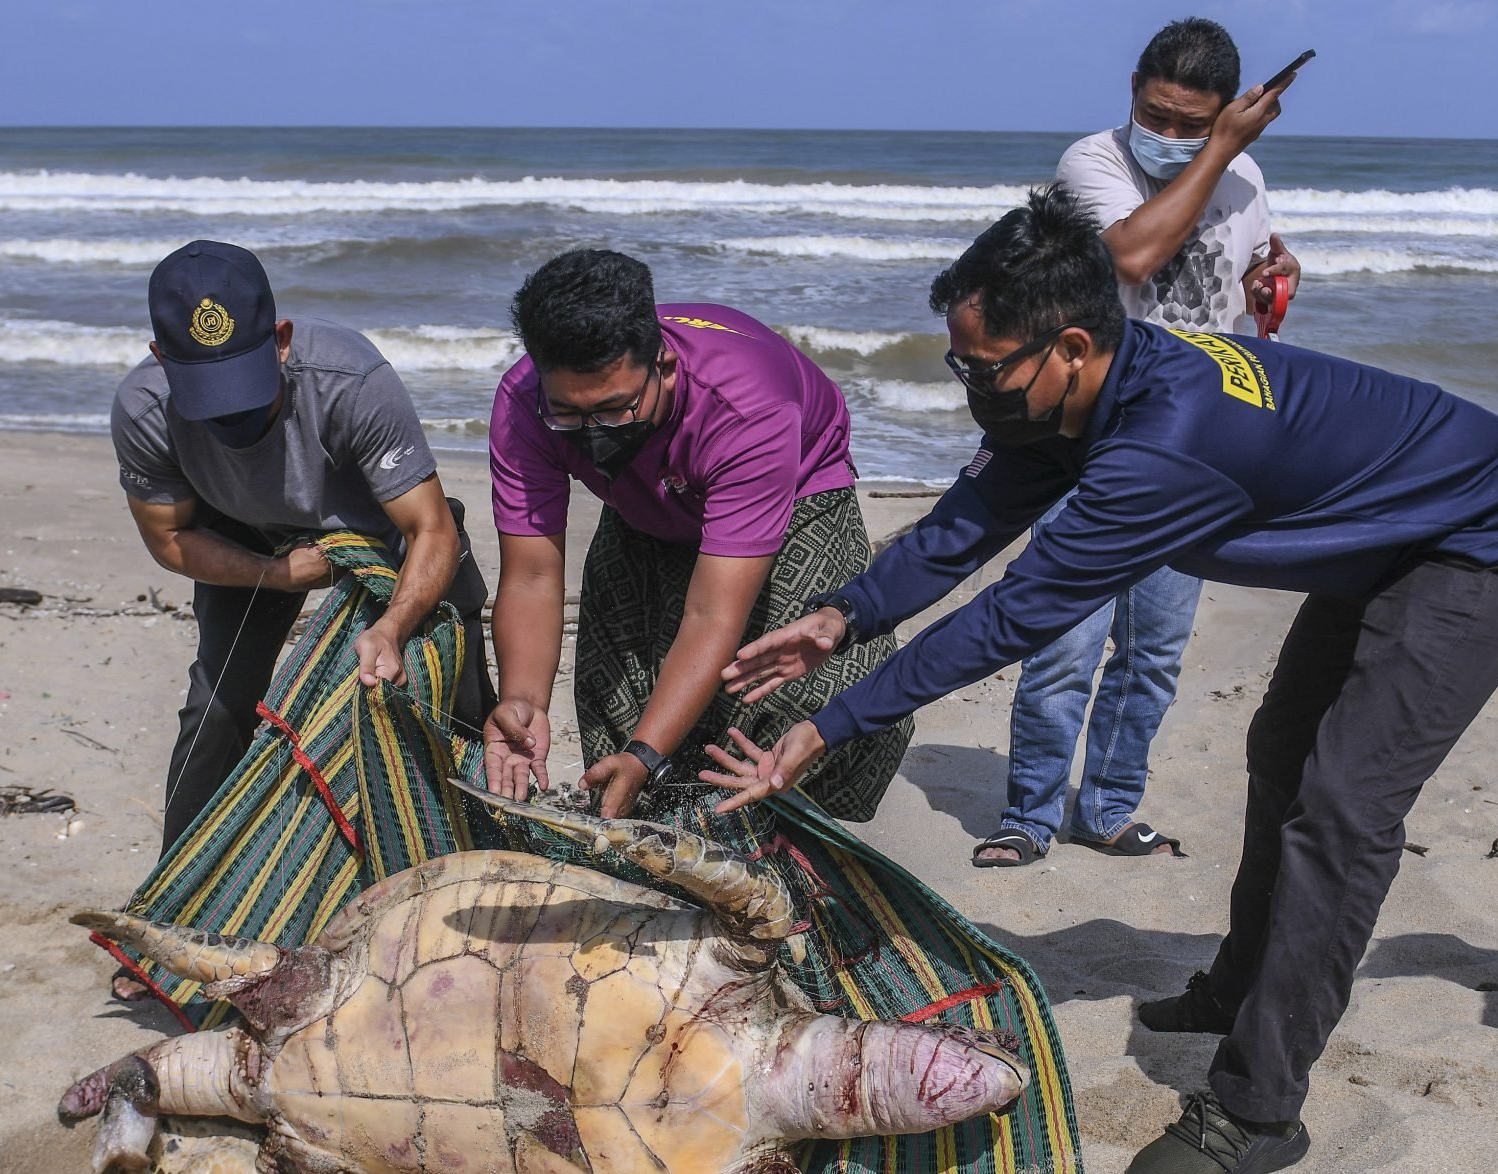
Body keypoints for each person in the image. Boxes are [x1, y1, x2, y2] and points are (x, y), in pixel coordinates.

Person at [708, 188, 1498, 1174]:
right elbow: (961, 529)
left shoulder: (1165, 445)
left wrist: (829, 720)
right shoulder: (1077, 392)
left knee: (1342, 809)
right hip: (1390, 532)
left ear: (1071, 346)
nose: (966, 387)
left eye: (980, 369)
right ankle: (1237, 985)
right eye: (957, 362)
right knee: (1279, 754)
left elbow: (1010, 616)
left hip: (1487, 540)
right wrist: (841, 619)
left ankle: (1258, 1110)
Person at [973, 16, 1303, 870]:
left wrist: (1276, 275)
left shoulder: (1247, 176)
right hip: (1098, 438)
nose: (1168, 135)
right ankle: (1029, 815)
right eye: (1156, 114)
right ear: (1133, 93)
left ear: (1230, 110)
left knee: (1152, 653)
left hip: (1197, 448)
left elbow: (1244, 280)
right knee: (1064, 640)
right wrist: (1216, 151)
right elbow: (1130, 254)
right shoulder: (1091, 164)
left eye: (1193, 123)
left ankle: (1111, 807)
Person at [482, 249, 908, 821]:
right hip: (643, 495)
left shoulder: (747, 408)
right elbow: (532, 575)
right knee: (619, 690)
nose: (591, 434)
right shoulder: (523, 403)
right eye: (568, 416)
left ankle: (783, 851)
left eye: (612, 411)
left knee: (790, 693)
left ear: (665, 366)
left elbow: (713, 616)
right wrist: (523, 701)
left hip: (797, 490)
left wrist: (645, 754)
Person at [113, 241, 491, 854]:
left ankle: (476, 851)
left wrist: (393, 626)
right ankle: (177, 891)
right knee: (217, 708)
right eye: (211, 399)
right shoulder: (145, 409)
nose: (233, 415)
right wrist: (275, 574)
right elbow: (170, 537)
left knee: (455, 699)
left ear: (281, 340)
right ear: (160, 358)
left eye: (246, 386)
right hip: (243, 535)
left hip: (379, 529)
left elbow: (430, 529)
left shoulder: (351, 382)